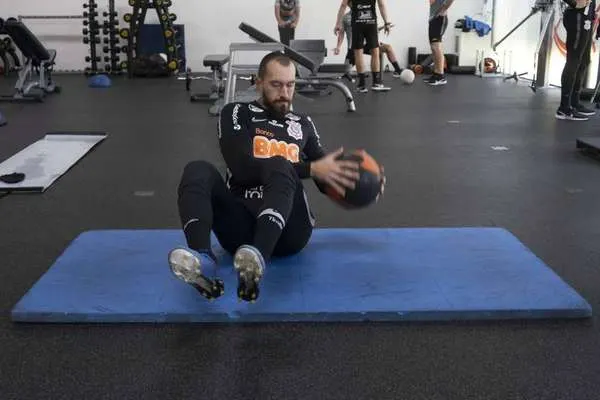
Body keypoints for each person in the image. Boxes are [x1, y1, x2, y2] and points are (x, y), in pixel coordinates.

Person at [168, 51, 385, 302]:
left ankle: (258, 258)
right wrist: (309, 169)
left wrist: (366, 183)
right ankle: (202, 259)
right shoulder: (236, 113)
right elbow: (241, 167)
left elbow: (326, 172)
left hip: (290, 231)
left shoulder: (302, 123)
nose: (285, 92)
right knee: (197, 169)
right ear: (258, 82)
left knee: (281, 165)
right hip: (239, 227)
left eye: (290, 85)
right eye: (276, 84)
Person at [334, 0, 393, 92]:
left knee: (358, 53)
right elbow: (381, 4)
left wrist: (338, 23)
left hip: (357, 24)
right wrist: (387, 23)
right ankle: (376, 83)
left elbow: (343, 5)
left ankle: (362, 85)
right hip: (371, 23)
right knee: (375, 52)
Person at [334, 2, 405, 78]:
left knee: (388, 47)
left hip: (368, 44)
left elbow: (371, 31)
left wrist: (384, 26)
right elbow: (341, 33)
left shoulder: (366, 15)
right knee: (346, 72)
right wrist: (338, 47)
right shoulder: (345, 18)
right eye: (351, 2)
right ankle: (361, 79)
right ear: (348, 4)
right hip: (354, 47)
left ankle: (398, 70)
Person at [556, 0, 598, 121]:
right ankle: (564, 108)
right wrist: (573, 3)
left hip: (586, 17)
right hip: (576, 15)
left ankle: (574, 103)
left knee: (584, 61)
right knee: (573, 61)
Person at [426, 0, 455, 86]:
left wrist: (444, 8)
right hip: (433, 19)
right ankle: (436, 73)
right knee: (433, 47)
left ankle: (440, 76)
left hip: (440, 18)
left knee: (436, 46)